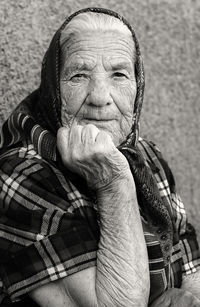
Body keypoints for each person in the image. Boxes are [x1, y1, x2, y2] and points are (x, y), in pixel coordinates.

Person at [0, 7, 200, 307]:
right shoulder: (21, 174)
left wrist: (188, 298)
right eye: (79, 75)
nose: (99, 97)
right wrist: (112, 181)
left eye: (119, 74)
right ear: (54, 87)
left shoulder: (145, 156)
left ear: (138, 85)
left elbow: (192, 266)